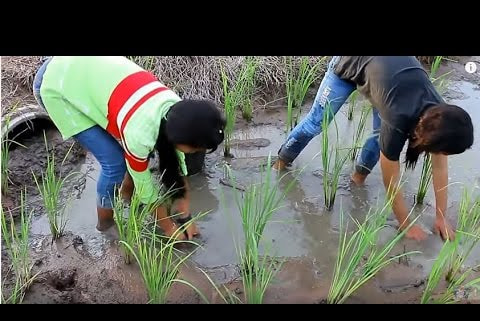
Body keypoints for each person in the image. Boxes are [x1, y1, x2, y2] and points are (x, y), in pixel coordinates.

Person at [273, 56, 474, 241]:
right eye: (444, 151)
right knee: (315, 124)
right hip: (350, 63)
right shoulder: (398, 119)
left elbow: (440, 169)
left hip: (387, 82)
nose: (442, 156)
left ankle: (356, 180)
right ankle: (280, 164)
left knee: (379, 137)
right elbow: (391, 182)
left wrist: (441, 217)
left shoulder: (440, 119)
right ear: (432, 141)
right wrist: (406, 224)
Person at [33, 56, 225, 240]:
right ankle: (105, 223)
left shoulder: (175, 111)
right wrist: (169, 228)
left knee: (137, 157)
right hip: (55, 84)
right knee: (114, 163)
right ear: (184, 139)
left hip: (81, 68)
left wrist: (185, 219)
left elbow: (176, 172)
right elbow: (147, 192)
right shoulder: (140, 134)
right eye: (197, 148)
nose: (197, 152)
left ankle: (125, 195)